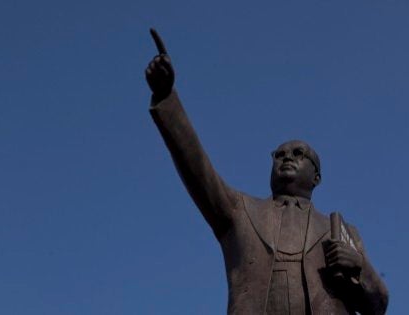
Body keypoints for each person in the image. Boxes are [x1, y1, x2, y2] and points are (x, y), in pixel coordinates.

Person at [145, 29, 388, 315]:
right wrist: (167, 98)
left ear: (317, 176)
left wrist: (358, 268)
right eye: (280, 154)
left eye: (299, 154)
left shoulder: (343, 232)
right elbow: (197, 169)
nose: (287, 158)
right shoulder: (239, 212)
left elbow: (378, 305)